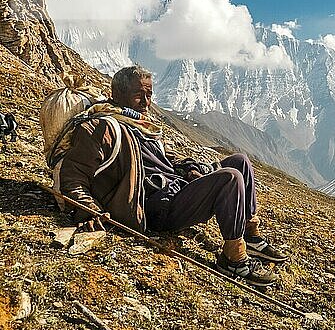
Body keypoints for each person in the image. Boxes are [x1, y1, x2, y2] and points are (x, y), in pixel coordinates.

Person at [59, 66, 288, 286]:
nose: (146, 102)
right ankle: (234, 259)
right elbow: (74, 174)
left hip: (173, 189)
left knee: (240, 161)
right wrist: (88, 208)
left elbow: (165, 160)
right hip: (155, 208)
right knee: (230, 178)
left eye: (149, 95)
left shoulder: (141, 125)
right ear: (116, 94)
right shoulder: (101, 128)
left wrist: (188, 168)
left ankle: (251, 235)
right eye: (139, 95)